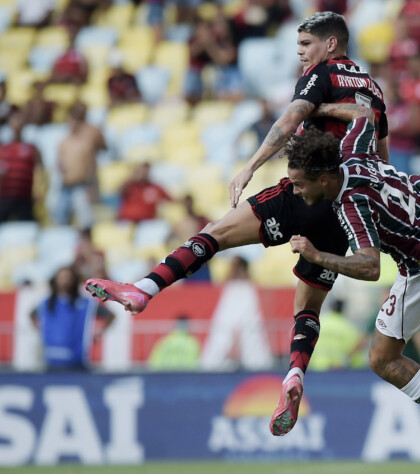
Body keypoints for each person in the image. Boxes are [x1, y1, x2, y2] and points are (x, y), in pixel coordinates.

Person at [84, 11, 388, 435]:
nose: (300, 54)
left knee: (217, 233)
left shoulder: (322, 74)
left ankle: (144, 288)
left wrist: (250, 166)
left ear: (330, 45)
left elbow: (288, 121)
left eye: (305, 45)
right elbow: (383, 163)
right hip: (345, 206)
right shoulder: (373, 90)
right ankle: (295, 374)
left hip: (304, 191)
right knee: (308, 305)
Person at [285, 103, 420, 468]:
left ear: (323, 180)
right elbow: (364, 114)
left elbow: (369, 267)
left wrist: (317, 255)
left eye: (299, 184)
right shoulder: (352, 151)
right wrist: (320, 106)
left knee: (381, 359)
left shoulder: (350, 205)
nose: (296, 191)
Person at [30, 266, 115, 371]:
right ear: (55, 280)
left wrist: (98, 332)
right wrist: (42, 331)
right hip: (51, 361)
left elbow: (110, 315)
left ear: (74, 280)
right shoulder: (47, 303)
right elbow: (31, 315)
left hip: (77, 362)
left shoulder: (85, 303)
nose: (64, 281)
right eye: (61, 277)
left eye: (67, 277)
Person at [55, 102, 106, 229]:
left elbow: (92, 162)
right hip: (66, 185)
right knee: (61, 216)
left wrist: (91, 185)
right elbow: (59, 164)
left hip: (82, 184)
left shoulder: (86, 141)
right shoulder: (64, 142)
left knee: (85, 219)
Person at [0, 107, 44, 223]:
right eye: (14, 119)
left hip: (25, 198)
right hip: (4, 197)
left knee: (26, 229)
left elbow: (39, 170)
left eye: (19, 119)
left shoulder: (32, 148)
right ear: (9, 122)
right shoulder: (3, 148)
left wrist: (38, 190)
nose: (17, 122)